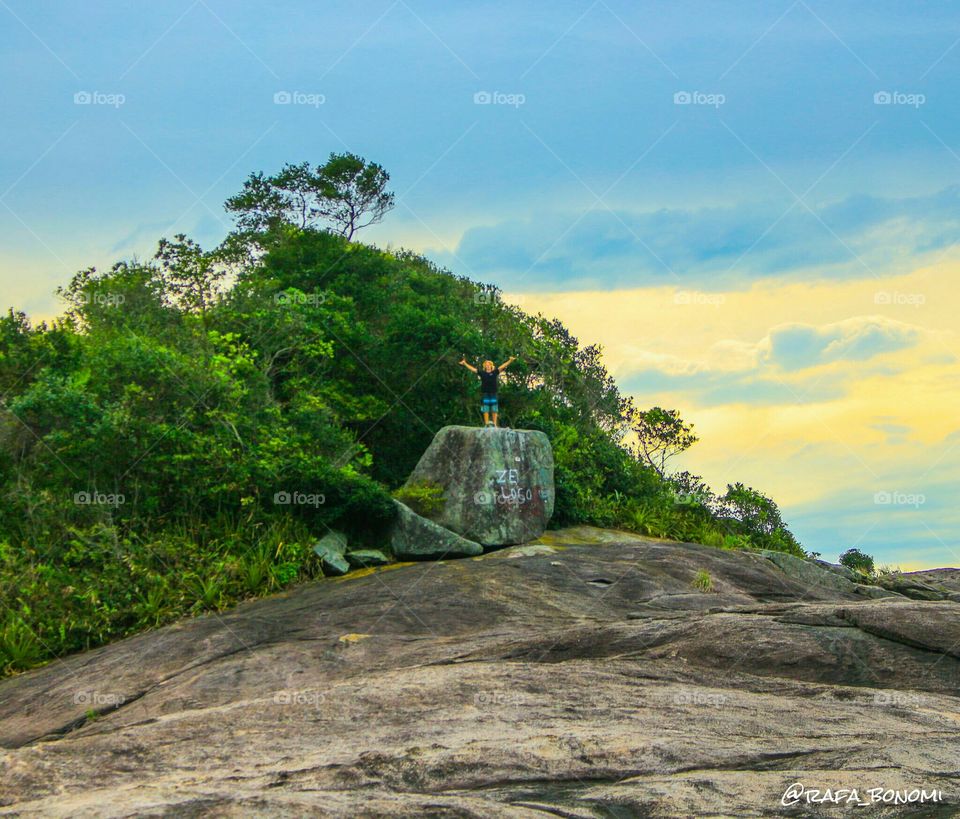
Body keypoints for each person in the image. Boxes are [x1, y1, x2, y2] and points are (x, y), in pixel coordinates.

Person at [458, 355, 517, 427]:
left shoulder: (495, 372)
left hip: (493, 393)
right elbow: (473, 369)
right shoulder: (482, 373)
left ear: (491, 366)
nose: (488, 366)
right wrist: (465, 363)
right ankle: (486, 424)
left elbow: (502, 366)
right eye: (486, 365)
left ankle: (494, 424)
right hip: (485, 393)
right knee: (485, 409)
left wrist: (510, 360)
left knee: (494, 409)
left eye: (489, 365)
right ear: (485, 366)